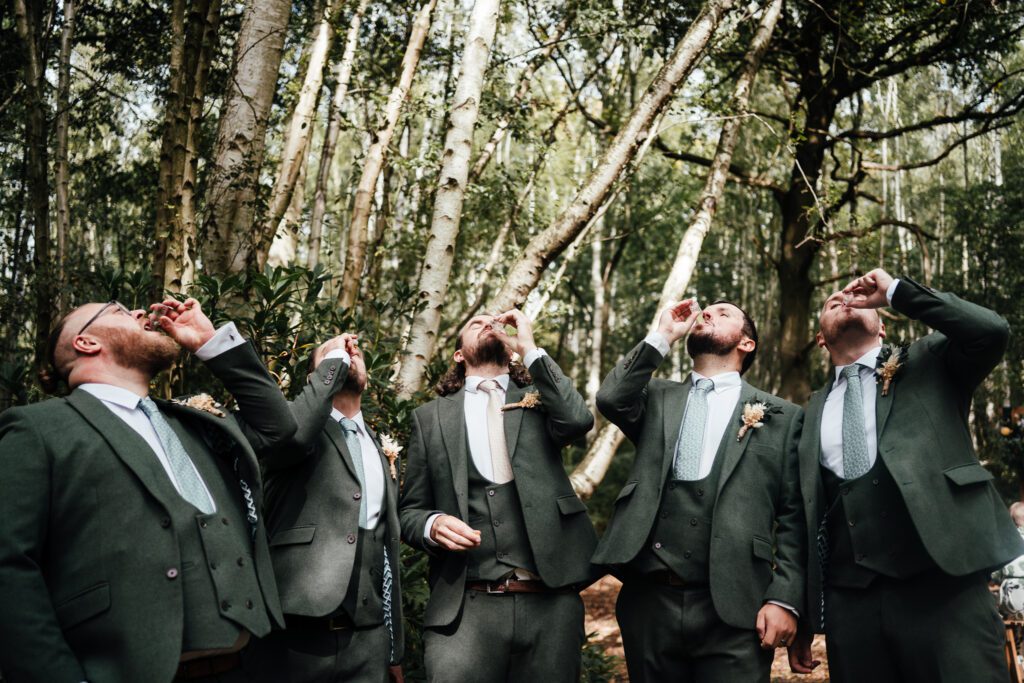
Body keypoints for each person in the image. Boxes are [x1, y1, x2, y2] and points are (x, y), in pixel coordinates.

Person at [0, 298, 296, 682]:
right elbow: (8, 565)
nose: (141, 313)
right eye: (121, 311)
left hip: (245, 667)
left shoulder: (197, 424)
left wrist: (210, 341)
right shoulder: (37, 429)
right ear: (86, 343)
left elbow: (279, 431)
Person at [789, 269, 1023, 682]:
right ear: (821, 339)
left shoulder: (929, 361)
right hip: (853, 606)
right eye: (831, 302)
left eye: (852, 296)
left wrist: (897, 292)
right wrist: (805, 614)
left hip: (946, 590)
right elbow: (803, 516)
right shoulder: (808, 412)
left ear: (881, 329)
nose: (844, 298)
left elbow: (992, 331)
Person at [593, 299, 805, 682]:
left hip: (737, 604)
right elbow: (610, 398)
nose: (707, 313)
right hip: (649, 600)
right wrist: (662, 336)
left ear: (747, 344)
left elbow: (796, 515)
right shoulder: (655, 397)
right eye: (705, 311)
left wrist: (784, 597)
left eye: (723, 313)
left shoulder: (783, 416)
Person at [399, 310, 598, 683]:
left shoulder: (540, 401)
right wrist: (432, 523)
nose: (489, 325)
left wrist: (531, 348)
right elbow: (410, 509)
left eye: (498, 325)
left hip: (549, 604)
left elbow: (578, 419)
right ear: (459, 354)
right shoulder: (429, 418)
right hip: (464, 608)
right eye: (476, 323)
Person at [261, 333, 404, 682]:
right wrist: (335, 358)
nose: (350, 352)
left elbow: (388, 549)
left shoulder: (379, 445)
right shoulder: (294, 430)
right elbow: (290, 437)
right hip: (297, 635)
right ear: (318, 376)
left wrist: (393, 647)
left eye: (355, 352)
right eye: (335, 353)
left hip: (369, 639)